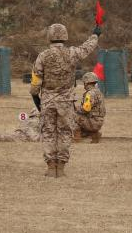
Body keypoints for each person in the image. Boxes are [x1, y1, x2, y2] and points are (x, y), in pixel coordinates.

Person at [30, 22, 100, 178]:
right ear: (65, 36)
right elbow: (87, 48)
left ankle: (50, 167)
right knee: (65, 133)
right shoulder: (72, 53)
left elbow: (35, 85)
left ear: (49, 37)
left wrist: (38, 102)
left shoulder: (42, 56)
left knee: (48, 133)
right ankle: (61, 167)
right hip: (66, 102)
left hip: (47, 101)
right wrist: (95, 35)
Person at [74, 72, 106, 143]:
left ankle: (76, 137)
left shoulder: (90, 93)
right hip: (99, 121)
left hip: (93, 122)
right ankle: (94, 134)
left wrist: (76, 109)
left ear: (86, 83)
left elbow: (86, 109)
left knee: (73, 116)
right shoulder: (98, 92)